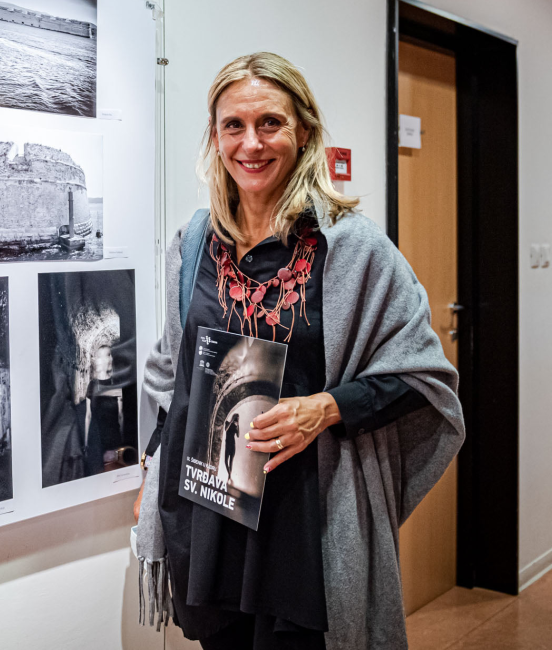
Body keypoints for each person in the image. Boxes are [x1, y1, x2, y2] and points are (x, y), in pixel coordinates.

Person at [133, 52, 464, 650]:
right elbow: (171, 369)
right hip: (211, 513)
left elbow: (423, 373)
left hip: (305, 523)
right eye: (234, 125)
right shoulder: (194, 243)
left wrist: (327, 407)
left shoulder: (352, 247)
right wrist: (151, 471)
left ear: (303, 131)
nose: (251, 143)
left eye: (270, 123)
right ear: (214, 136)